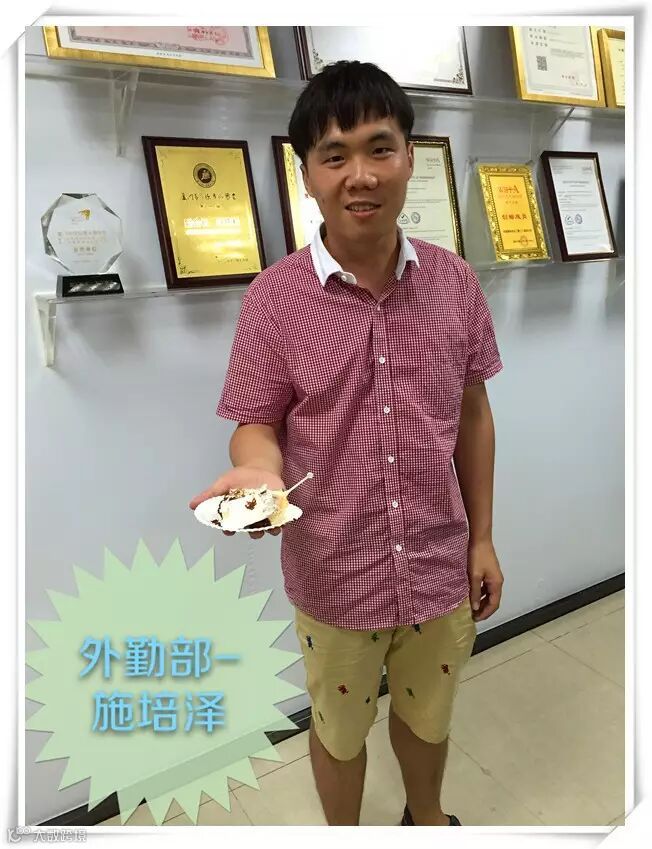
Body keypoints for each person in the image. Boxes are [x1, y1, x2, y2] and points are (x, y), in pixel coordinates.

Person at [189, 60, 504, 827]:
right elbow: (256, 421)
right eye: (335, 155)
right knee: (338, 730)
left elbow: (472, 414)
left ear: (410, 156)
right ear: (307, 174)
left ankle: (425, 818)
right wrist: (257, 472)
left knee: (429, 714)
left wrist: (482, 537)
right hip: (335, 574)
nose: (360, 175)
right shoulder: (274, 298)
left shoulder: (455, 283)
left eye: (379, 148)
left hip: (437, 562)